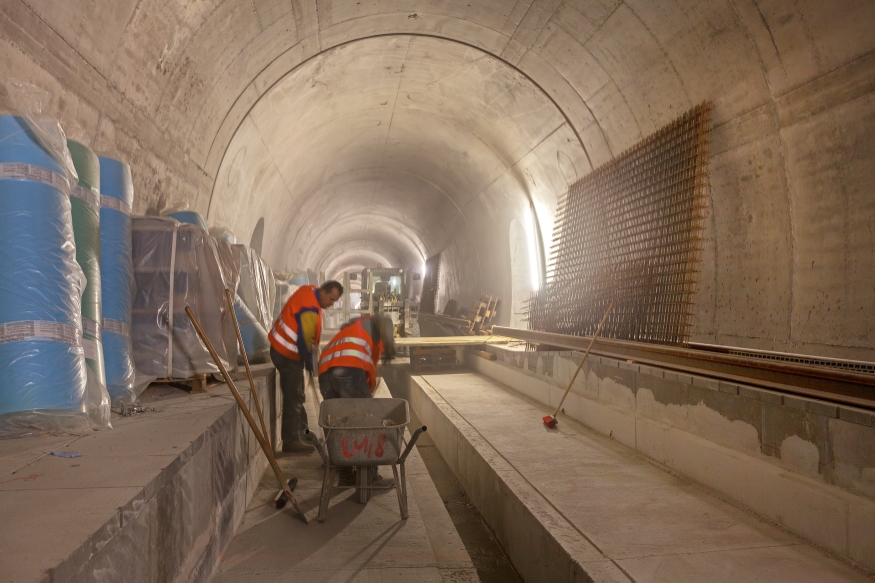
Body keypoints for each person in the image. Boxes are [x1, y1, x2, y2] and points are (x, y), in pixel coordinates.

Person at [318, 314, 397, 486]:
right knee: (366, 420)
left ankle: (346, 475)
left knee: (339, 422)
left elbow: (367, 376)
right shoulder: (377, 334)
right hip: (349, 367)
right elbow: (369, 378)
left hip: (324, 370)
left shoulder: (357, 328)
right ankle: (370, 478)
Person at [269, 280, 343, 453]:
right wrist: (309, 362)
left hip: (285, 351)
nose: (331, 304)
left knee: (297, 395)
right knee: (293, 397)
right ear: (323, 291)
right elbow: (304, 338)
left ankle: (303, 434)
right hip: (286, 352)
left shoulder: (309, 292)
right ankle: (291, 441)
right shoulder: (310, 305)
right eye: (331, 299)